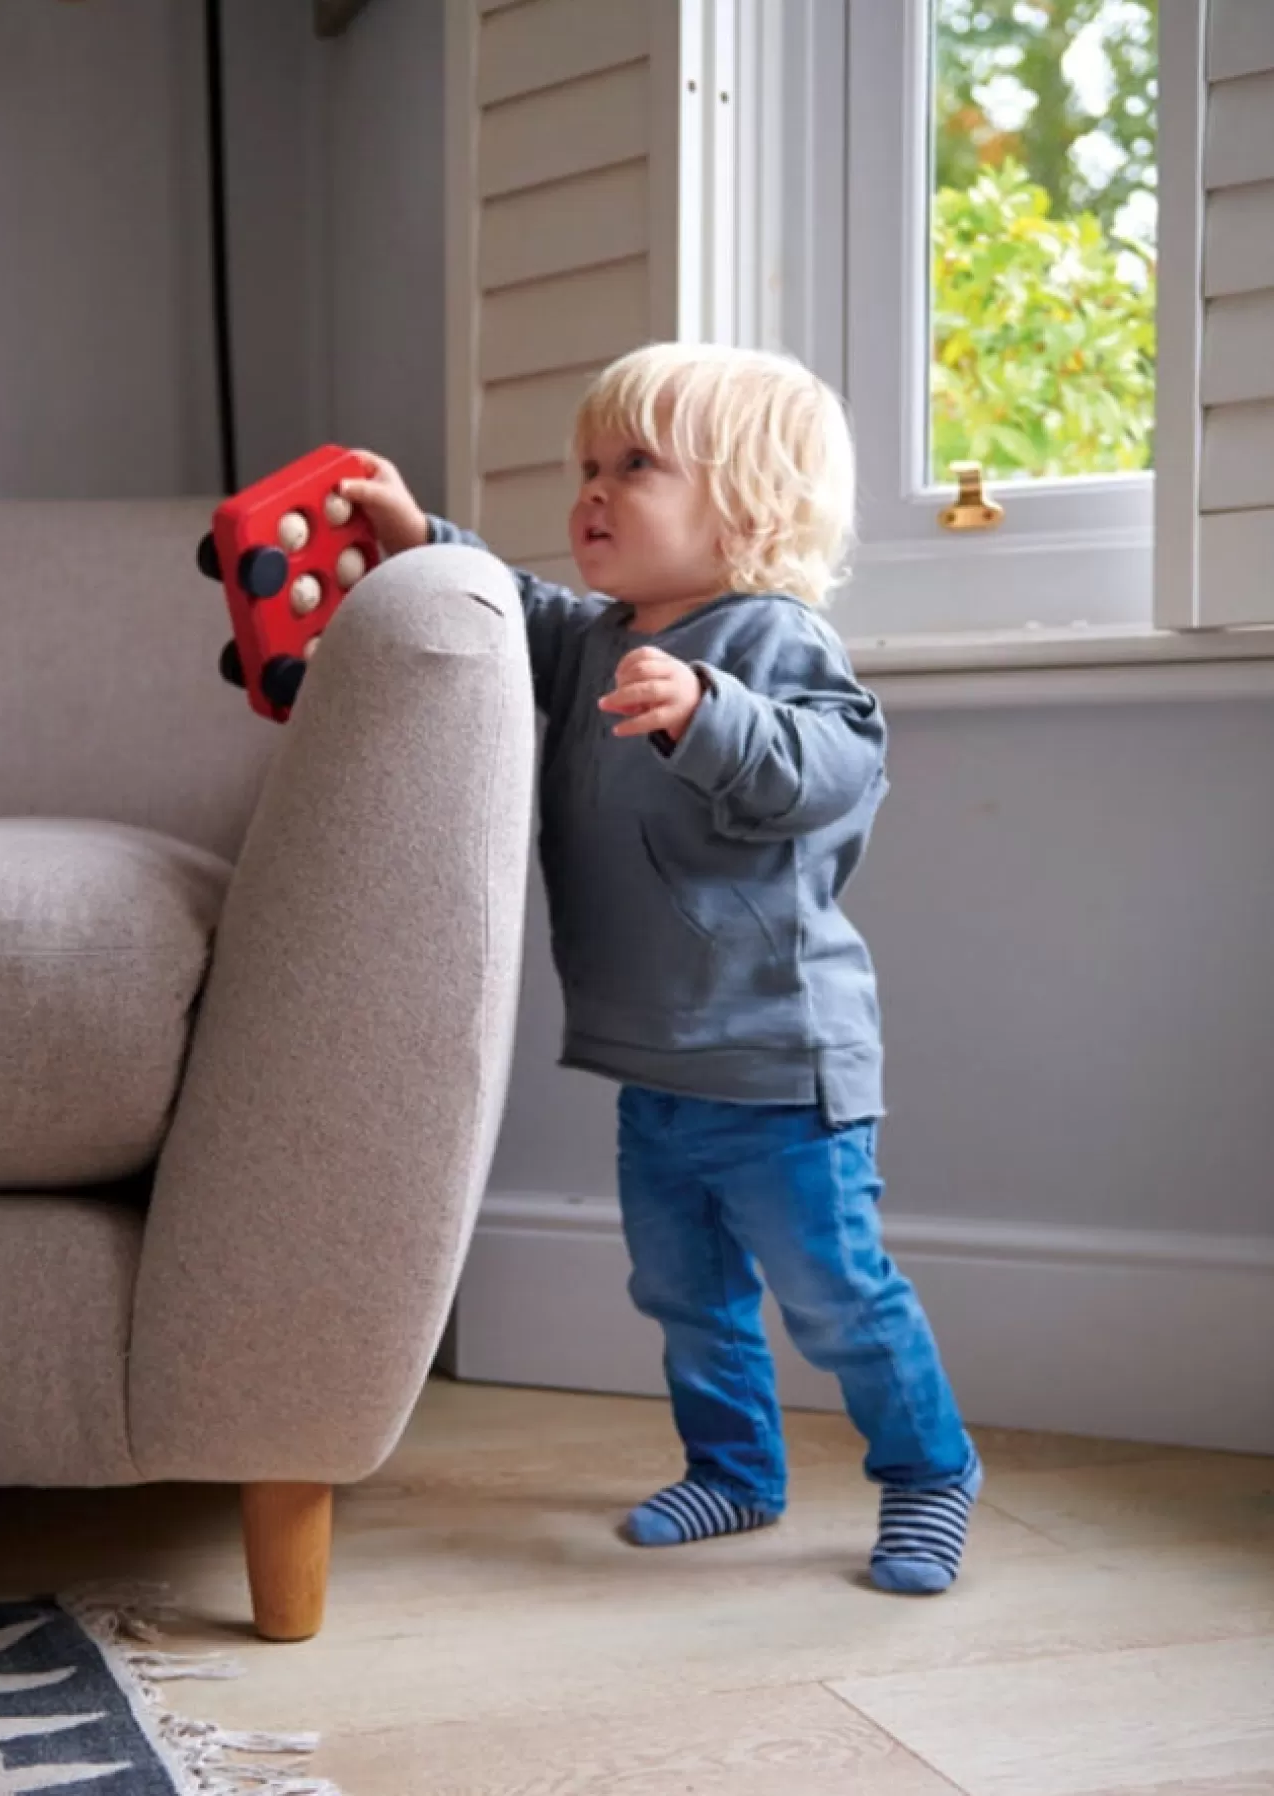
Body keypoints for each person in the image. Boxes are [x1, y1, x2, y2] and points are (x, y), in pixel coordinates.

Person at [340, 342, 980, 1594]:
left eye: (634, 465)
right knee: (683, 1289)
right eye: (586, 465)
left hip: (781, 1063)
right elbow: (509, 608)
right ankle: (735, 1468)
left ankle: (929, 1470)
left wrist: (706, 709)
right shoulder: (595, 638)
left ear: (745, 507)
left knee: (836, 1294)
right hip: (658, 1063)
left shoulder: (776, 639)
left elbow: (835, 769)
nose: (591, 490)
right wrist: (422, 535)